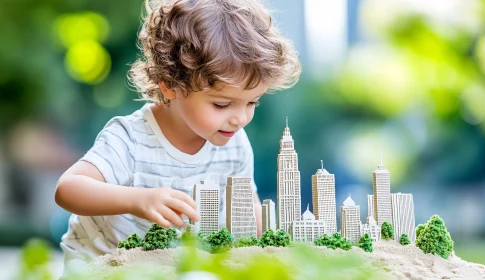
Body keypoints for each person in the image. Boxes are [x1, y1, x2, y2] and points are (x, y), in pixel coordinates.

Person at [55, 0, 301, 270]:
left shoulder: (235, 142)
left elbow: (248, 207)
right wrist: (137, 200)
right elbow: (68, 189)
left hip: (172, 269)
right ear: (171, 85)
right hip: (103, 269)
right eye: (221, 104)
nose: (240, 118)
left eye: (252, 102)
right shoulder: (130, 138)